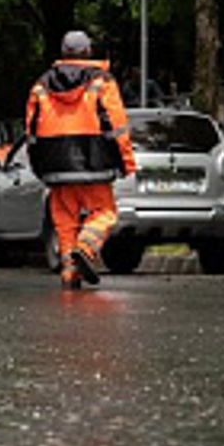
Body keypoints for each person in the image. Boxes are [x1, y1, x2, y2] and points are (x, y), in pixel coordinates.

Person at [25, 30, 138, 289]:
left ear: (63, 53)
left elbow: (31, 131)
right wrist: (126, 163)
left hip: (56, 166)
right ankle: (86, 249)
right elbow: (117, 127)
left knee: (65, 221)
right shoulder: (102, 82)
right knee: (104, 212)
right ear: (88, 52)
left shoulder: (41, 85)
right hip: (94, 161)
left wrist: (39, 167)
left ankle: (69, 270)